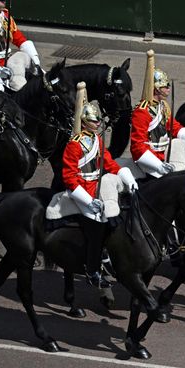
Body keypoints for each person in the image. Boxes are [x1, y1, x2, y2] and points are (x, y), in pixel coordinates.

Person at [63, 100, 137, 288]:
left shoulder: (97, 140)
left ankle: (108, 255)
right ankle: (92, 270)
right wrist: (88, 200)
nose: (98, 124)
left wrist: (126, 177)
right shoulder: (74, 144)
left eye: (98, 122)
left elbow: (109, 164)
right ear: (85, 122)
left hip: (96, 185)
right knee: (96, 226)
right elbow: (69, 176)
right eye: (95, 121)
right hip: (80, 189)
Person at [131, 65, 185, 179]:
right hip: (150, 159)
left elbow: (174, 127)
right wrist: (158, 165)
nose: (168, 89)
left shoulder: (163, 106)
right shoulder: (142, 111)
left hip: (164, 152)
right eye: (165, 86)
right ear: (157, 89)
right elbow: (137, 146)